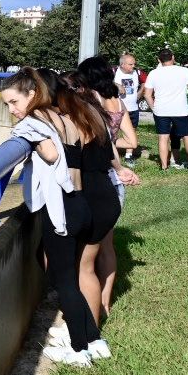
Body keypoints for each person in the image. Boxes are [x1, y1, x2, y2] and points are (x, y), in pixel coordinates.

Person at [1, 67, 118, 367]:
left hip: (62, 208)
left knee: (64, 278)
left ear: (32, 94)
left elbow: (52, 155)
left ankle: (79, 351)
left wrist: (27, 137)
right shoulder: (67, 115)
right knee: (69, 274)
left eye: (14, 102)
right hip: (80, 203)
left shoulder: (37, 119)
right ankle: (94, 339)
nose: (12, 110)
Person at [75, 58, 142, 316]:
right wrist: (112, 141)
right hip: (116, 181)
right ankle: (105, 302)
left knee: (88, 253)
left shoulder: (92, 100)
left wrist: (102, 144)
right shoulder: (119, 103)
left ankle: (88, 305)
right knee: (108, 247)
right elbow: (132, 142)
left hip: (99, 176)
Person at [143, 49, 188, 171]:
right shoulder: (183, 71)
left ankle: (164, 167)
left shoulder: (153, 73)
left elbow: (147, 95)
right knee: (187, 137)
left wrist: (154, 108)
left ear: (159, 60)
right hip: (180, 110)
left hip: (161, 110)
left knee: (163, 137)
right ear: (173, 57)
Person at [113, 53, 144, 161]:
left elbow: (146, 81)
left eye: (134, 64)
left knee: (131, 131)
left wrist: (140, 92)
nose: (133, 66)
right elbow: (103, 81)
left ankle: (128, 156)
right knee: (113, 131)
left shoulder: (138, 72)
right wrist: (117, 85)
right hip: (117, 108)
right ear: (122, 64)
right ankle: (112, 154)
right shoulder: (113, 71)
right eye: (130, 64)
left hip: (133, 108)